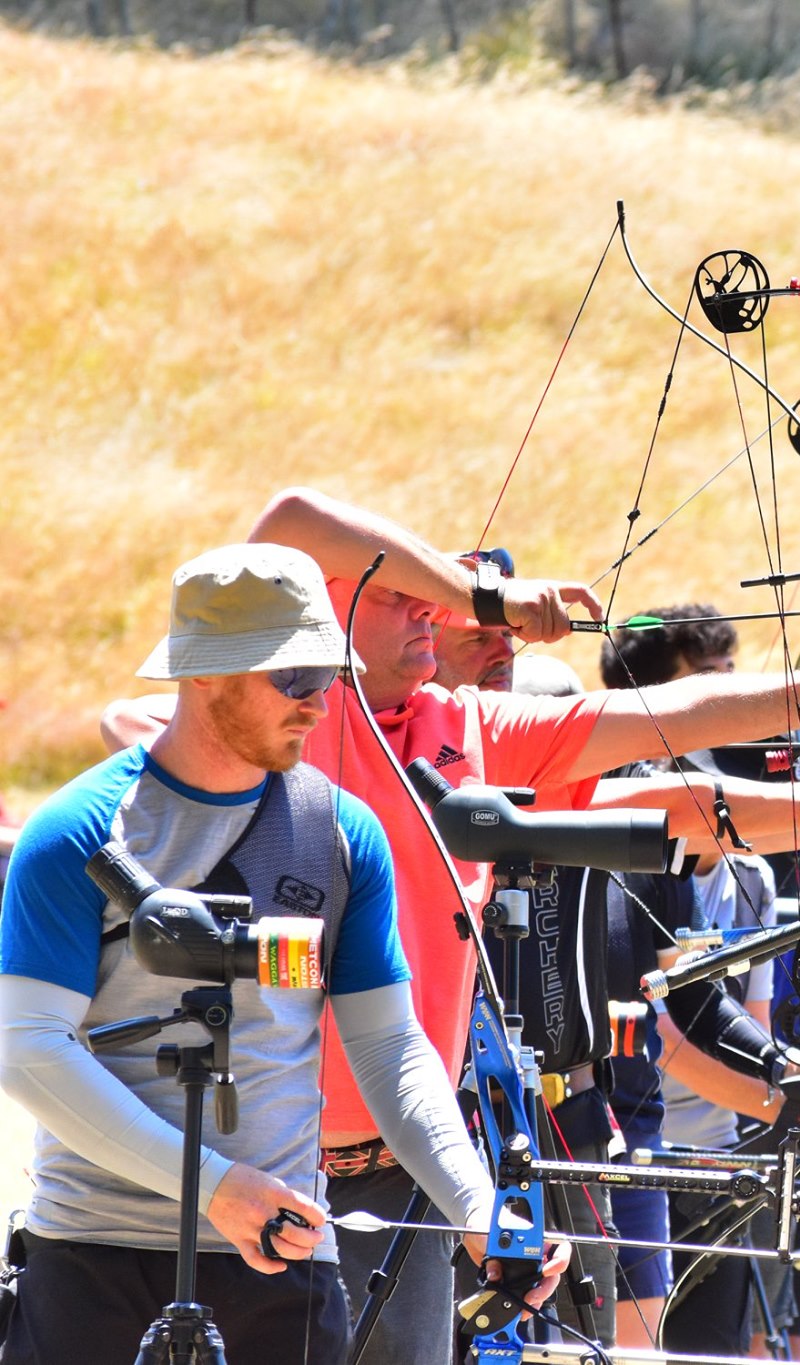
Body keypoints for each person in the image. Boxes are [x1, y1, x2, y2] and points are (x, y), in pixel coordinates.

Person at [98, 488, 800, 1364]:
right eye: (400, 592)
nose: (427, 610)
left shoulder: (466, 726)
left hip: (412, 1170)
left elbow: (668, 747)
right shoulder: (313, 724)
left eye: (428, 598)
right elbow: (289, 517)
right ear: (331, 613)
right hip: (264, 1162)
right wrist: (489, 598)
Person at [0, 543, 562, 1364]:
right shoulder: (77, 829)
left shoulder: (343, 832)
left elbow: (390, 1048)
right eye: (293, 679)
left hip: (281, 1258)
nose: (318, 704)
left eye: (328, 677)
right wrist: (219, 1189)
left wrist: (478, 1209)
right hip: (94, 1254)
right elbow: (28, 1050)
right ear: (204, 674)